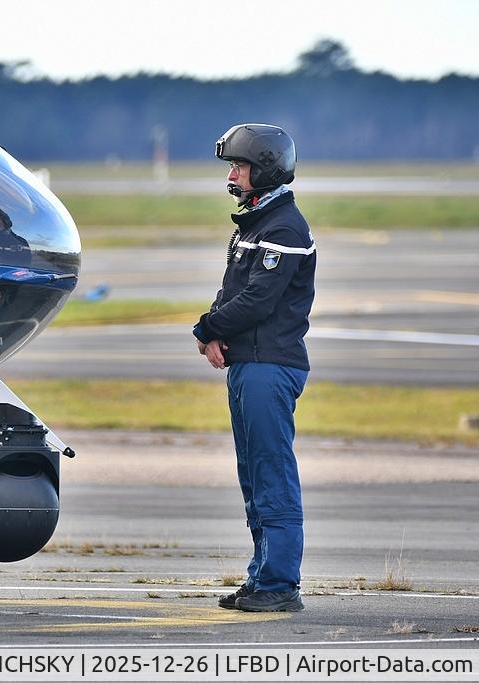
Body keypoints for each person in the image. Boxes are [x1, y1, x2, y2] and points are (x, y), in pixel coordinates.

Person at [192, 123, 316, 613]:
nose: (233, 175)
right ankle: (262, 576)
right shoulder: (256, 224)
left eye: (239, 166)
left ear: (264, 168)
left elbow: (259, 300)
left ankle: (281, 583)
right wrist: (219, 331)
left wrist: (207, 328)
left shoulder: (283, 227)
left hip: (269, 368)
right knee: (253, 476)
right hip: (249, 365)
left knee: (272, 474)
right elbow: (234, 291)